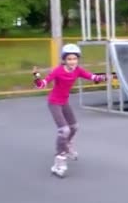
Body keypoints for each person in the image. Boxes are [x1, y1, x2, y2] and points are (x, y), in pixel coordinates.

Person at [32, 43, 106, 177]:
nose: (72, 61)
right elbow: (42, 84)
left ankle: (67, 145)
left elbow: (91, 76)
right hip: (54, 103)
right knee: (64, 130)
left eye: (75, 59)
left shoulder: (77, 70)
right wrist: (36, 77)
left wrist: (101, 78)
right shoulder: (58, 71)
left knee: (74, 127)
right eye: (69, 59)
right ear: (64, 60)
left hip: (64, 102)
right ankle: (58, 162)